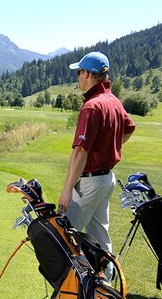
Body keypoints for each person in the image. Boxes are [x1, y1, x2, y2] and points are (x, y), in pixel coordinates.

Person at [58, 52, 136, 280]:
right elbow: (130, 128)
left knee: (64, 236)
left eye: (79, 72)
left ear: (88, 74)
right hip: (106, 180)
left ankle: (71, 290)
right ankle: (106, 288)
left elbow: (80, 152)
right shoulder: (113, 100)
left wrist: (66, 189)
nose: (77, 78)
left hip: (90, 183)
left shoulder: (92, 106)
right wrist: (108, 149)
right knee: (100, 237)